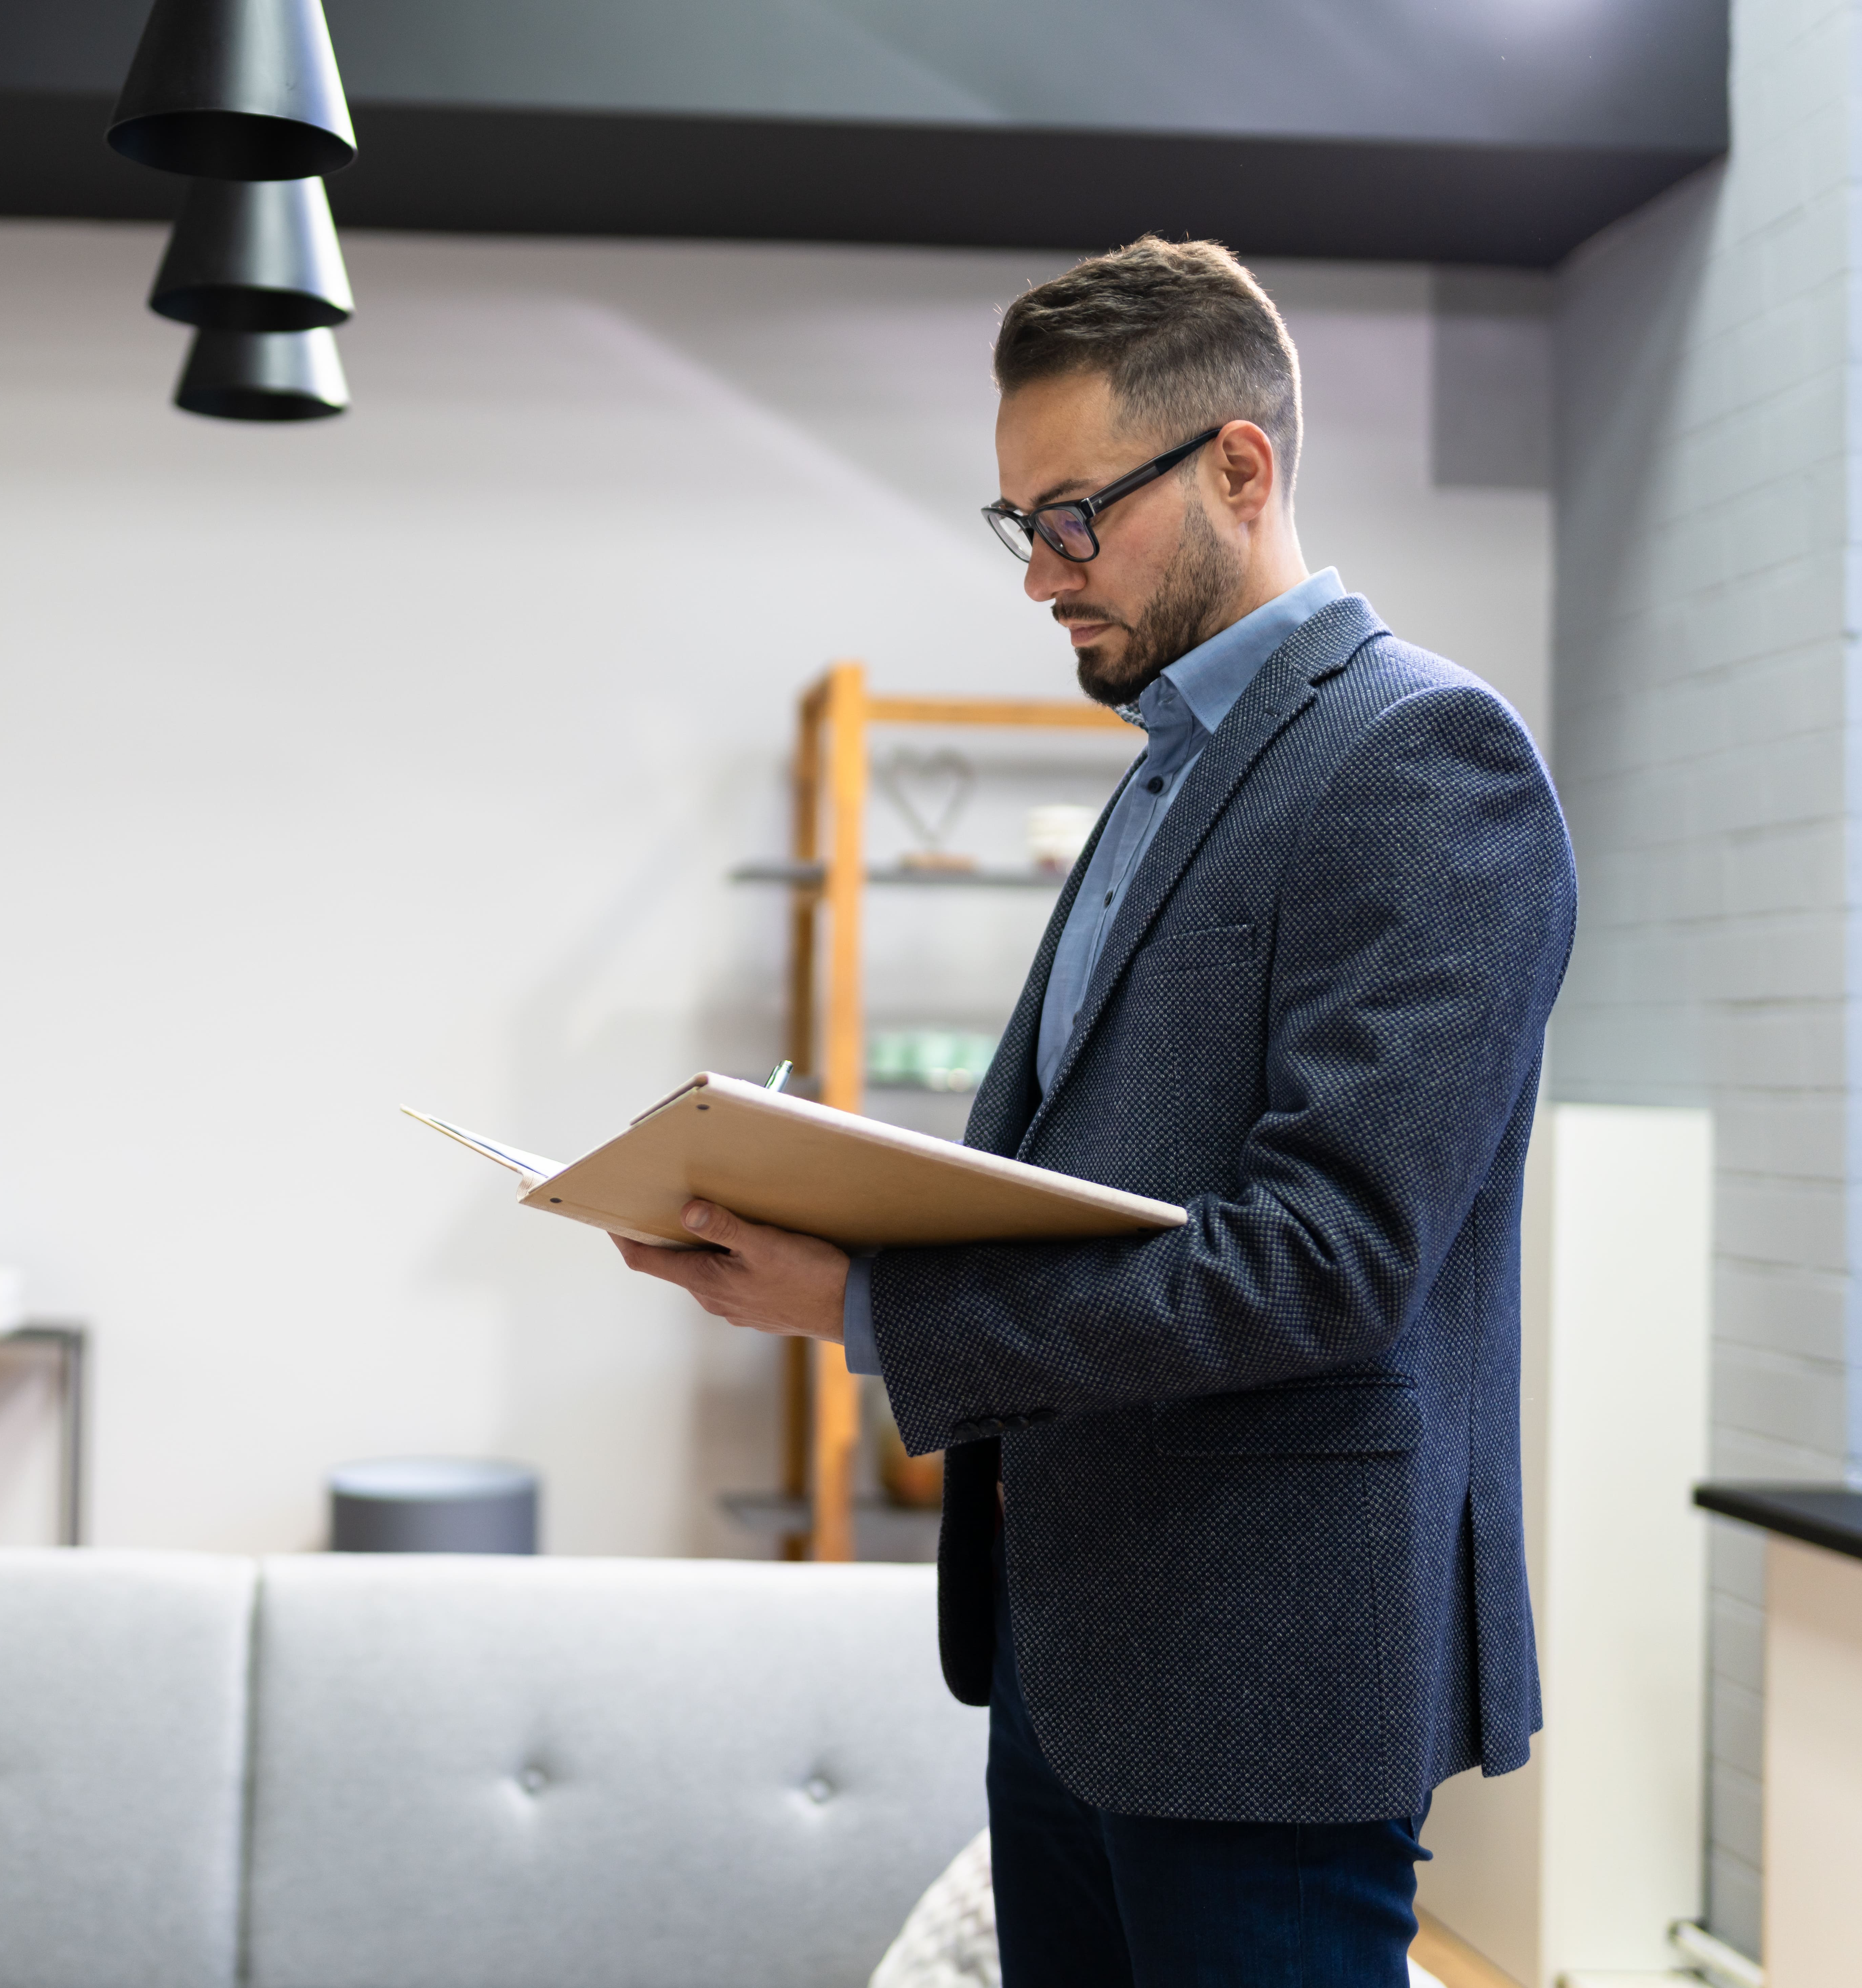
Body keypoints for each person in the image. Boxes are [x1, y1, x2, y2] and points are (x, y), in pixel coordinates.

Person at [616, 237, 1576, 1986]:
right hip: (1079, 1633)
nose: (1044, 574)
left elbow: (1328, 1261)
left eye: (1075, 516)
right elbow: (1096, 1170)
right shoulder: (1179, 765)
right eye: (1020, 526)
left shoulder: (1425, 758)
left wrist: (867, 1304)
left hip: (1263, 1660)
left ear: (1239, 464)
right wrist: (843, 1202)